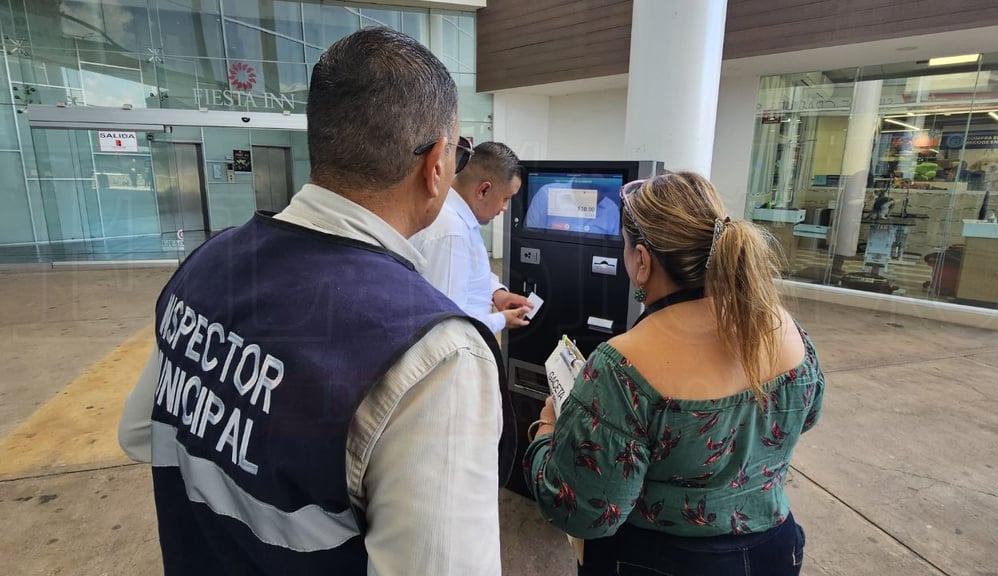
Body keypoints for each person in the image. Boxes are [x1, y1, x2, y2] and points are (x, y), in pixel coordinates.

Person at [118, 28, 515, 576]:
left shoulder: (211, 261)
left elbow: (139, 432)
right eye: (459, 151)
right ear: (437, 165)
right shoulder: (438, 356)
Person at [525, 171, 826, 575]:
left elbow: (583, 511)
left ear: (644, 261)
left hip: (653, 562)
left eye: (626, 247)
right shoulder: (782, 326)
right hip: (771, 554)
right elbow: (806, 415)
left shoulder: (622, 366)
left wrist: (546, 432)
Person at [411, 141, 533, 333]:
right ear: (483, 190)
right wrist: (500, 320)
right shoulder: (451, 231)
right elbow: (446, 326)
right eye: (506, 198)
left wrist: (496, 293)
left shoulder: (457, 217)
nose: (505, 208)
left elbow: (468, 268)